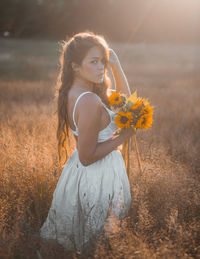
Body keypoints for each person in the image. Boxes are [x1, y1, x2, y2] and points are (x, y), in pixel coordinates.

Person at [39, 31, 135, 254]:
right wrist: (124, 136)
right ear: (75, 66)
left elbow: (127, 103)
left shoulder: (79, 92)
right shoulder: (90, 100)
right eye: (94, 62)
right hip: (98, 177)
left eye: (103, 61)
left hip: (81, 175)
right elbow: (87, 156)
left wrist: (116, 66)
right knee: (98, 244)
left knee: (82, 243)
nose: (101, 67)